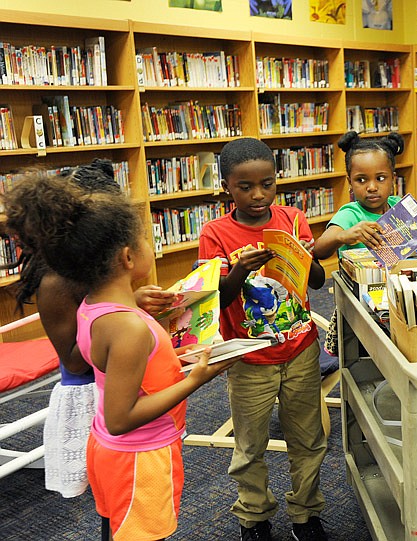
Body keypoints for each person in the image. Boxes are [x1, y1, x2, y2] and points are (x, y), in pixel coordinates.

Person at [2, 169, 237, 541]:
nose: (149, 245)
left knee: (118, 529)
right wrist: (196, 379)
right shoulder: (126, 326)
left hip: (115, 453)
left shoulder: (94, 305)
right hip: (139, 456)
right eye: (144, 239)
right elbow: (120, 417)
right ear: (127, 256)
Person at [2, 160, 175, 501]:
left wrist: (134, 305)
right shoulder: (55, 282)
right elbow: (75, 361)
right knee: (120, 497)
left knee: (128, 497)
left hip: (119, 387)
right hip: (91, 394)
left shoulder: (106, 272)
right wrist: (122, 320)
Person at [197, 137, 328, 541]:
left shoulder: (292, 218)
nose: (258, 195)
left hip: (300, 349)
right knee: (250, 444)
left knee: (307, 438)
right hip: (250, 357)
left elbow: (318, 282)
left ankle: (306, 514)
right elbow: (215, 300)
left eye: (267, 184)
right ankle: (253, 516)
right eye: (245, 187)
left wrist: (306, 256)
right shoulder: (215, 232)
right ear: (226, 187)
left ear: (277, 181)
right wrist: (239, 270)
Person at [315, 131, 405, 259]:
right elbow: (318, 251)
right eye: (361, 180)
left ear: (393, 179)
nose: (372, 188)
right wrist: (343, 236)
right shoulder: (350, 214)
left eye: (380, 178)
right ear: (350, 182)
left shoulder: (399, 204)